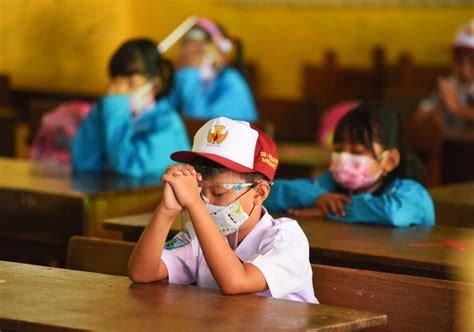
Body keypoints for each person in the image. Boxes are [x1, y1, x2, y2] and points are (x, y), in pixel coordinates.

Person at [128, 117, 317, 303]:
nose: (206, 203)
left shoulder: (287, 240)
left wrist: (194, 203)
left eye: (218, 193)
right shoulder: (197, 237)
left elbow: (236, 282)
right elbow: (142, 273)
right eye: (200, 192)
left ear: (259, 192)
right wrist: (167, 210)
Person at [265, 104, 435, 227]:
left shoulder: (413, 193)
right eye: (338, 150)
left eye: (357, 152)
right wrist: (317, 198)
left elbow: (393, 213)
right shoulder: (331, 184)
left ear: (389, 161)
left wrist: (330, 210)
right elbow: (271, 193)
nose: (344, 158)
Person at [72, 38, 190, 177]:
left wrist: (116, 106)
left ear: (155, 85)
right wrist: (103, 109)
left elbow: (128, 169)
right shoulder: (108, 111)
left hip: (152, 197)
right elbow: (83, 163)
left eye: (130, 83)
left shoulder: (168, 124)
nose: (120, 91)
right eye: (116, 82)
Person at [166, 17, 258, 122]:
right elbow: (164, 115)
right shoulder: (182, 78)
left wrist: (189, 73)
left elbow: (200, 125)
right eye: (186, 51)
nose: (191, 57)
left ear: (221, 54)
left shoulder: (232, 82)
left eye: (199, 52)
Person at [411, 19, 474, 139]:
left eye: (473, 63)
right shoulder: (450, 84)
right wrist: (437, 111)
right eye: (459, 62)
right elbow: (419, 116)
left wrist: (459, 109)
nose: (465, 70)